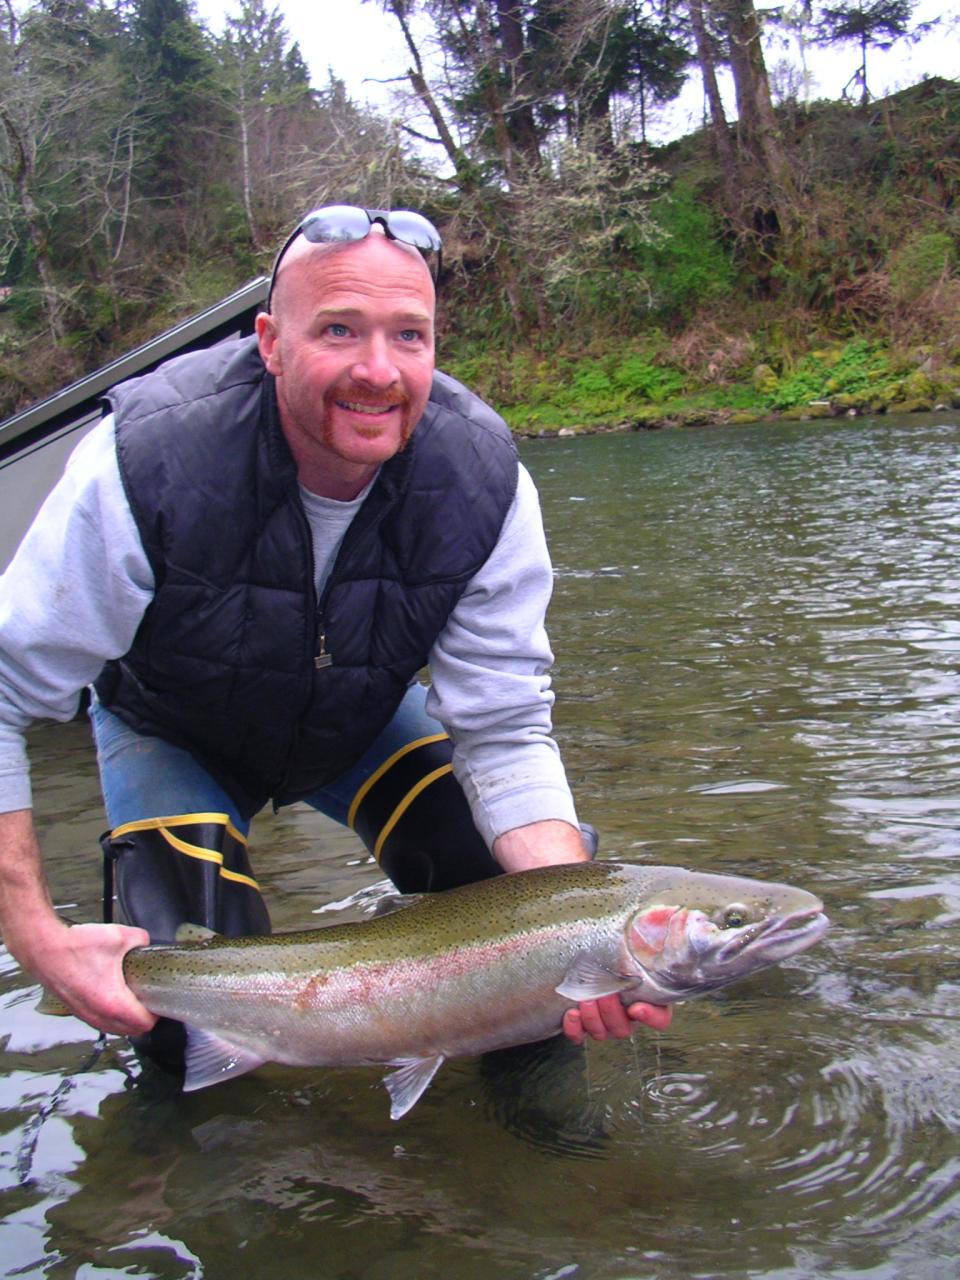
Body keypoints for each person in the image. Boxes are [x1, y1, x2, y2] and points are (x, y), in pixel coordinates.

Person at [0, 204, 670, 1073]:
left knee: (532, 973)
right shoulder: (144, 460)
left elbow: (503, 724)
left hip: (361, 723)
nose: (378, 371)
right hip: (172, 729)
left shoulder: (483, 480)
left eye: (410, 336)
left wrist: (580, 938)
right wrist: (35, 937)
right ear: (270, 341)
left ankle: (533, 1157)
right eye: (340, 331)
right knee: (170, 1017)